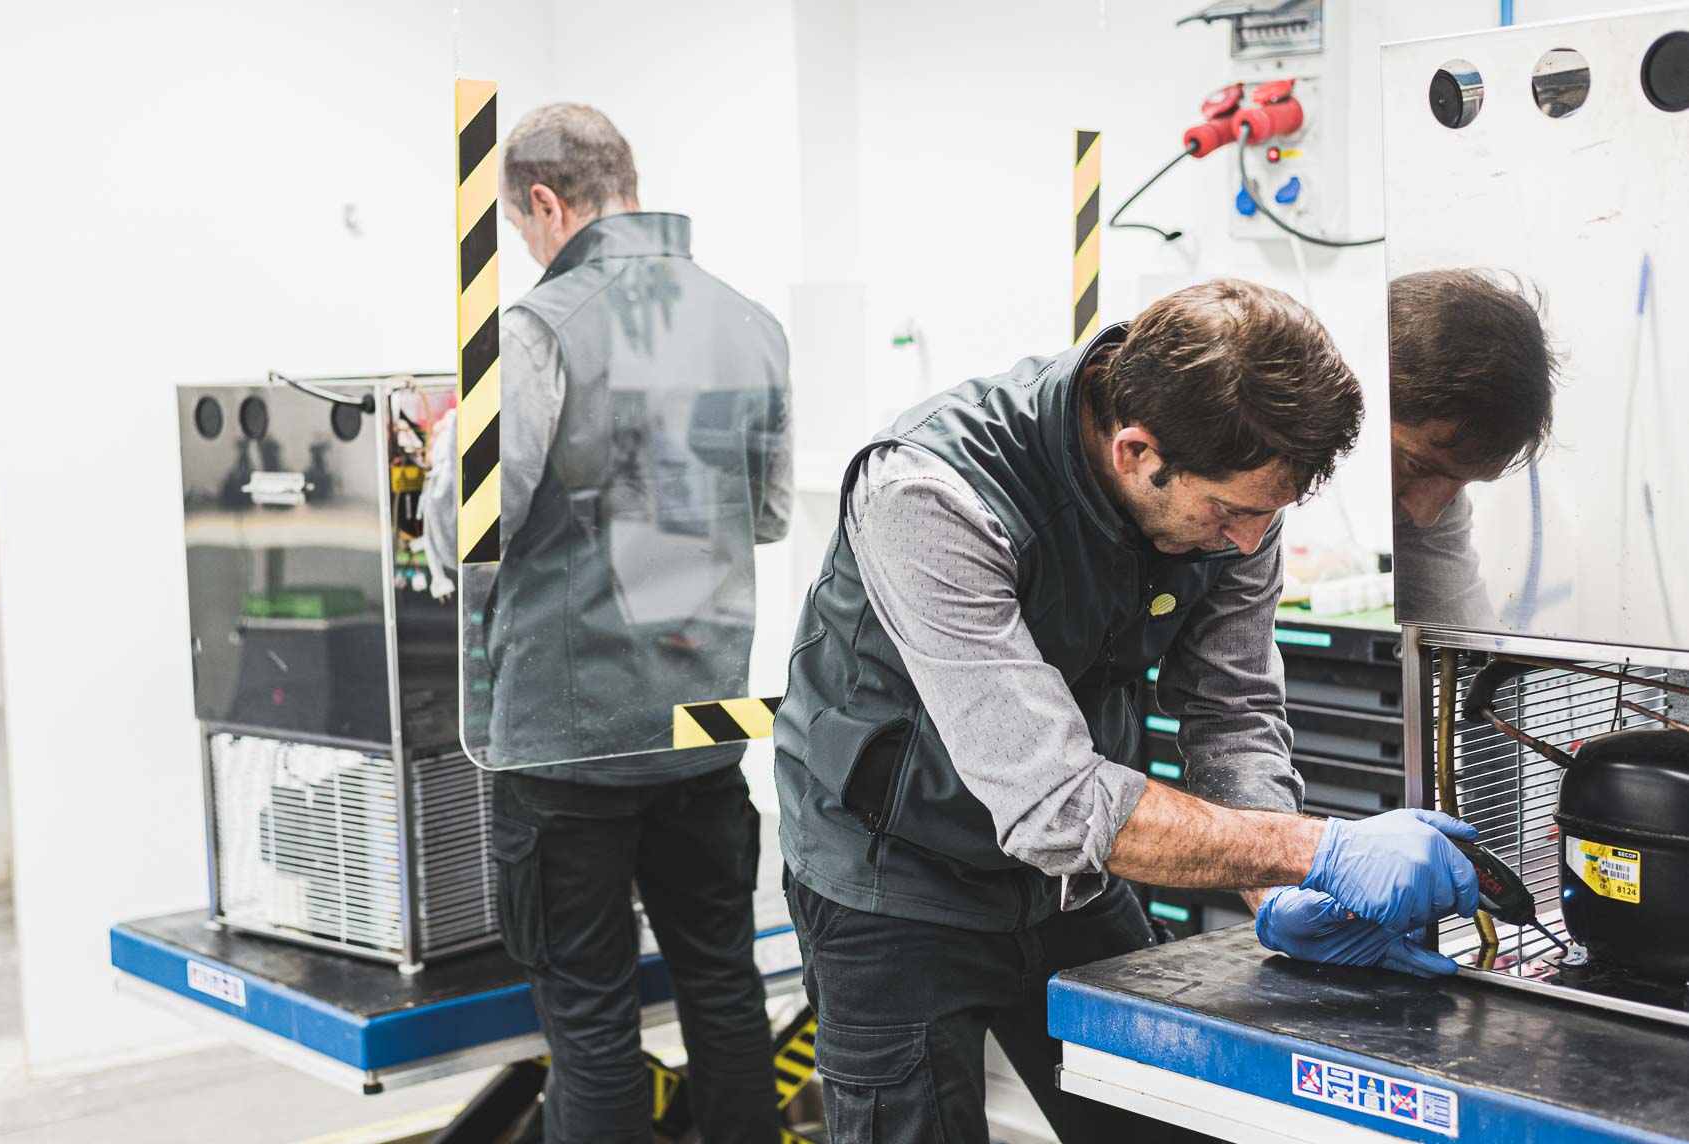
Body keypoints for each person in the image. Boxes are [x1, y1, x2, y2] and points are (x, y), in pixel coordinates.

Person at [772, 280, 1481, 1143]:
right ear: (1136, 451)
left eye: (1271, 515)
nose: (1250, 544)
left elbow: (1234, 707)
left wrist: (1275, 885)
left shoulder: (1236, 494)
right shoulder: (930, 494)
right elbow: (1057, 804)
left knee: (1162, 1112)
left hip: (1069, 882)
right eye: (1230, 513)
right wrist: (1318, 850)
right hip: (894, 880)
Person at [461, 104, 790, 1144]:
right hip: (702, 738)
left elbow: (468, 531)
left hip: (568, 753)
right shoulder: (749, 322)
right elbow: (771, 512)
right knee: (726, 993)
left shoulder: (533, 329)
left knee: (592, 1021)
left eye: (522, 231)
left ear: (546, 204)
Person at [1387, 268, 1558, 629]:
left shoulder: (1436, 479)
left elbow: (1460, 630)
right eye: (1417, 467)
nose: (1426, 514)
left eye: (1458, 485)